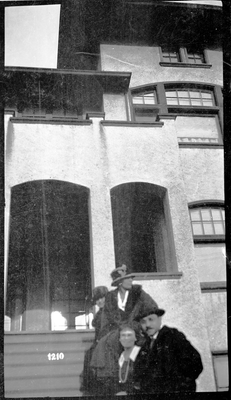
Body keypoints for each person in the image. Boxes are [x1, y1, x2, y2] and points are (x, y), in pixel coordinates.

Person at [90, 264, 158, 395]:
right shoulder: (111, 297)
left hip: (137, 329)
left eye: (131, 278)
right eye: (127, 279)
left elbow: (152, 309)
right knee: (107, 343)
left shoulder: (139, 293)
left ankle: (135, 377)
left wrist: (139, 324)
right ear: (120, 283)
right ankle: (116, 380)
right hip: (118, 331)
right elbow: (107, 318)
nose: (131, 281)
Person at [133, 305, 204, 393]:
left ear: (159, 319)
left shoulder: (172, 336)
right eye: (143, 322)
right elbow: (138, 375)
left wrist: (180, 387)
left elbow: (195, 363)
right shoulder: (145, 347)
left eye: (151, 319)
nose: (147, 325)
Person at [80, 286, 108, 395]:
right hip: (100, 343)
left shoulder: (112, 312)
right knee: (89, 356)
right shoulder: (100, 313)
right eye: (97, 299)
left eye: (102, 298)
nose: (99, 301)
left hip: (108, 345)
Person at [115, 324, 142, 396]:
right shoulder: (121, 357)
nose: (126, 338)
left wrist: (128, 393)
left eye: (129, 335)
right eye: (123, 335)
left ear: (136, 337)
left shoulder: (141, 355)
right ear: (119, 339)